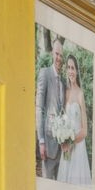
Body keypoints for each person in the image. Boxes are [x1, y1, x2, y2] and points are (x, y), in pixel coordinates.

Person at [56, 55, 93, 186]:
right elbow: (63, 122)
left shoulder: (80, 94)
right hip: (66, 149)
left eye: (73, 68)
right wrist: (62, 140)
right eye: (68, 68)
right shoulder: (65, 93)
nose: (70, 71)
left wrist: (71, 143)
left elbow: (84, 131)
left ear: (77, 71)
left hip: (77, 148)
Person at [36, 32, 67, 179]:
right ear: (52, 55)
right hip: (47, 145)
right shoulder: (44, 74)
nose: (59, 58)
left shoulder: (63, 82)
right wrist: (41, 141)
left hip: (61, 146)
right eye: (56, 54)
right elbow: (39, 109)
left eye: (61, 55)